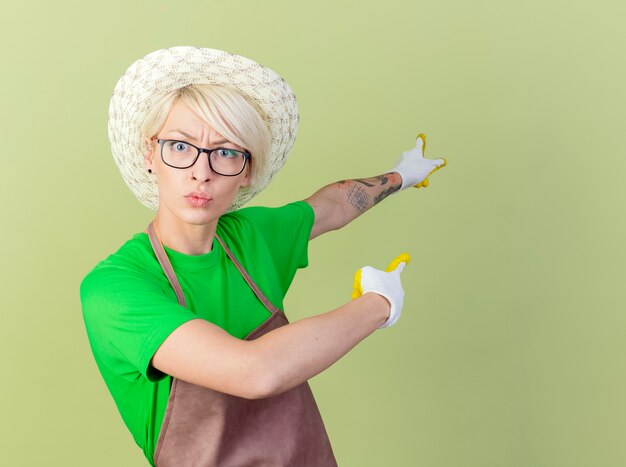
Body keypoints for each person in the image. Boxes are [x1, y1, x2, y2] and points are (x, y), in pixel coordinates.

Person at [80, 46, 446, 467]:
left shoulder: (252, 237)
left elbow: (330, 206)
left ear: (247, 170)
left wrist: (401, 176)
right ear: (150, 154)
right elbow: (254, 373)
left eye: (226, 152)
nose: (202, 171)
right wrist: (379, 304)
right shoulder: (114, 289)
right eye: (180, 146)